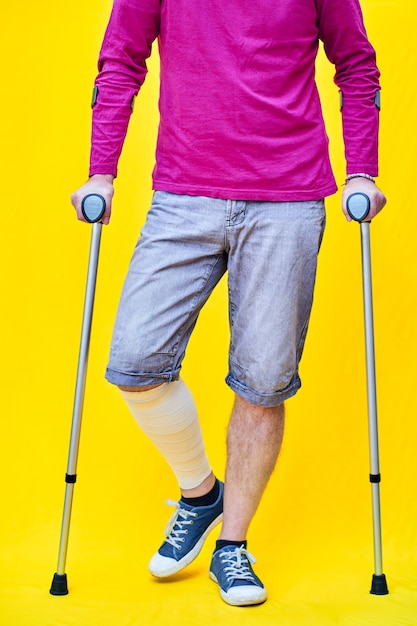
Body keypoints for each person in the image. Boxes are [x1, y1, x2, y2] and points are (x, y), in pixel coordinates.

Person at [71, 0, 386, 607]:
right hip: (184, 194)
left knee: (264, 382)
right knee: (135, 362)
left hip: (288, 199)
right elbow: (119, 61)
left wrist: (362, 174)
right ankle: (200, 492)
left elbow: (357, 64)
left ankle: (232, 547)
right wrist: (101, 172)